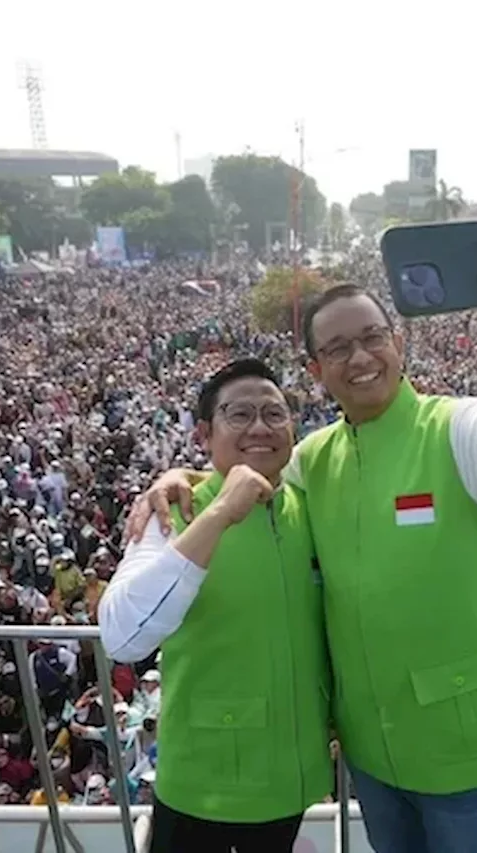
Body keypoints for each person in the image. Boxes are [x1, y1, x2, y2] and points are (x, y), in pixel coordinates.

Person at [128, 202, 477, 853]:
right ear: (317, 370)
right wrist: (182, 478)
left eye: (371, 337)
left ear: (396, 340)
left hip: (462, 748)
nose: (359, 357)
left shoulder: (453, 429)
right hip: (371, 752)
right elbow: (245, 475)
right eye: (337, 348)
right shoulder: (311, 460)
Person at [99, 358, 332, 853]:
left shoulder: (308, 506)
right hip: (203, 784)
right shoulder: (173, 512)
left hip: (289, 778)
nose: (260, 428)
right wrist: (220, 512)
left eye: (274, 414)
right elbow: (123, 636)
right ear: (205, 432)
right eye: (240, 415)